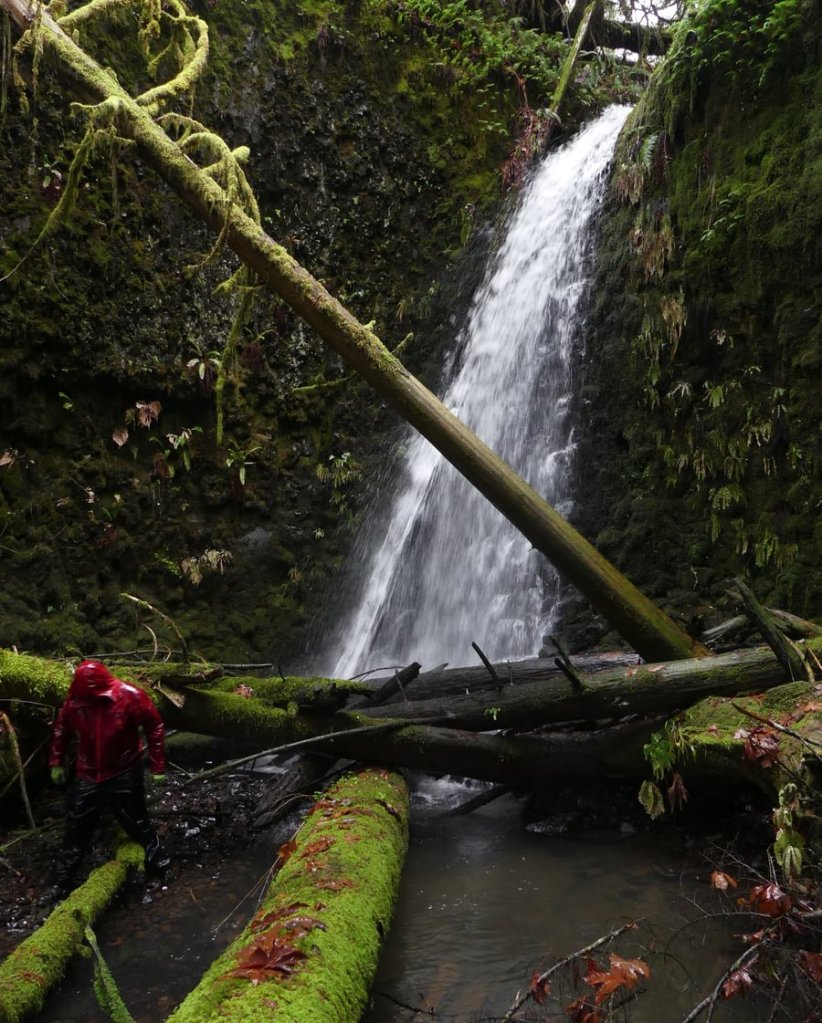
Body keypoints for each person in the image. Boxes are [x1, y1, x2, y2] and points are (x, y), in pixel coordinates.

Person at [49, 659, 170, 894]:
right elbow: (61, 730)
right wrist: (56, 762)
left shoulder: (129, 696)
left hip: (123, 769)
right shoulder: (75, 701)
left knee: (136, 821)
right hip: (88, 772)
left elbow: (154, 726)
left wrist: (158, 766)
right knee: (76, 827)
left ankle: (158, 864)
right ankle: (61, 881)